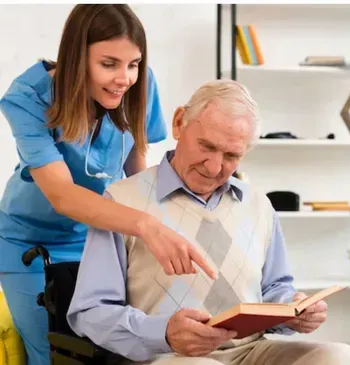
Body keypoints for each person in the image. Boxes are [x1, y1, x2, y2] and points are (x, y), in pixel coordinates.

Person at [67, 79, 350, 365]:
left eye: (231, 155)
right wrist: (165, 333)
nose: (214, 167)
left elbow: (275, 288)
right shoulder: (122, 201)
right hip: (165, 356)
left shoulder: (259, 205)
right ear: (179, 122)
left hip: (252, 352)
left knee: (341, 357)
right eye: (207, 147)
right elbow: (90, 312)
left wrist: (294, 310)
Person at [0, 4, 215, 365]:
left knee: (117, 347)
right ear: (75, 58)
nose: (125, 78)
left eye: (133, 64)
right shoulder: (28, 98)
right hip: (31, 245)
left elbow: (136, 171)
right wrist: (145, 225)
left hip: (103, 236)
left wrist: (166, 225)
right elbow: (63, 195)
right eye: (109, 63)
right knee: (55, 352)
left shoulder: (140, 85)